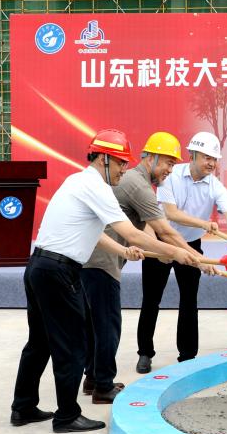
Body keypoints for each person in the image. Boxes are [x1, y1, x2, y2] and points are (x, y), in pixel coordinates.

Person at [10, 129, 206, 433]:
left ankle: (23, 407)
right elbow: (134, 233)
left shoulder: (76, 181)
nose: (123, 170)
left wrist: (123, 251)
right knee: (73, 345)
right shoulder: (97, 188)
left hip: (39, 267)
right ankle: (66, 416)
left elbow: (96, 233)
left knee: (39, 342)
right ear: (103, 158)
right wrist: (177, 253)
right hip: (59, 272)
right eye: (119, 163)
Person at [80, 131, 198, 402]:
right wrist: (195, 258)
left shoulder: (133, 182)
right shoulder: (138, 185)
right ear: (151, 158)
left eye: (173, 164)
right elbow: (165, 231)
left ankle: (93, 377)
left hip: (92, 258)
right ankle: (103, 386)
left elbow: (144, 230)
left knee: (95, 323)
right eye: (168, 162)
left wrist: (167, 252)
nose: (170, 170)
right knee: (108, 324)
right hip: (101, 262)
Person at [136, 131, 227, 373]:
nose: (211, 163)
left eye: (214, 159)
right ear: (193, 155)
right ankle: (145, 353)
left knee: (189, 299)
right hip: (161, 242)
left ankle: (187, 356)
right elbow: (171, 213)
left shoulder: (216, 186)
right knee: (151, 299)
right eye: (207, 157)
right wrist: (204, 224)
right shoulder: (170, 176)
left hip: (191, 244)